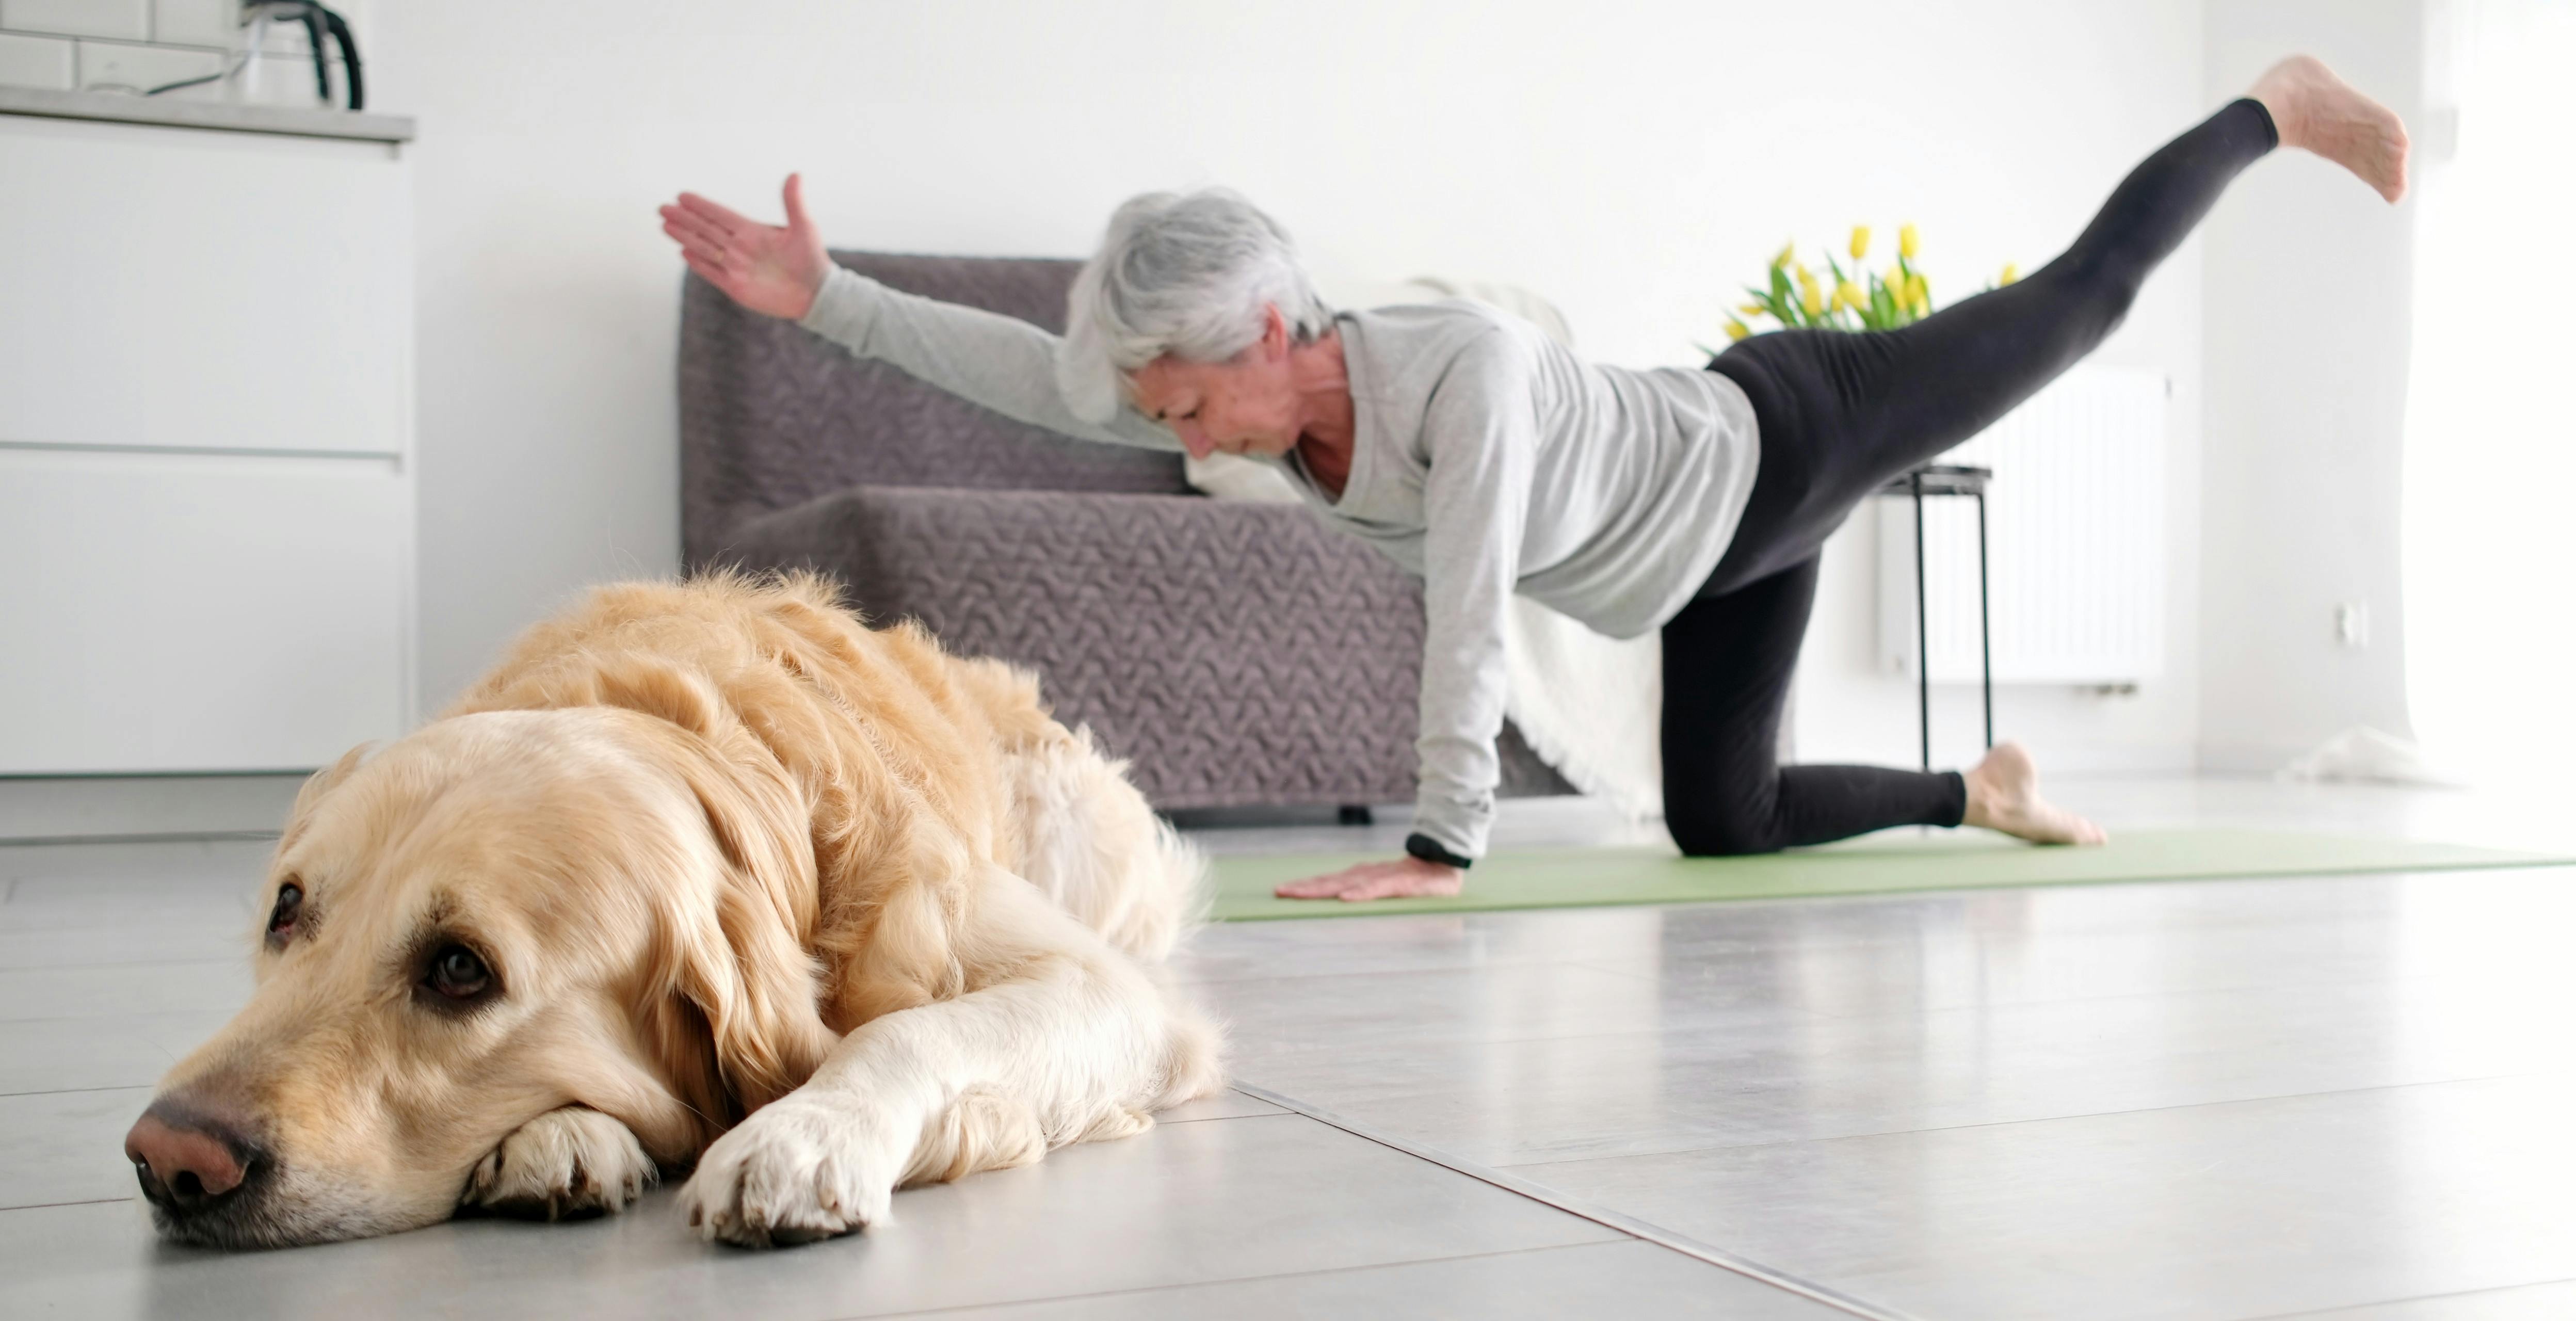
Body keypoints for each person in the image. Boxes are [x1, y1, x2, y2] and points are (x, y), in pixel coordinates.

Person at [660, 56, 2408, 904]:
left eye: (1194, 400)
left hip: (1788, 439)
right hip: (1714, 565)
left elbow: (1472, 606)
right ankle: (1985, 790)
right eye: (1168, 413)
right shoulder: (1256, 407)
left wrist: (1445, 840)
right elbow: (1035, 386)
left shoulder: (1461, 376)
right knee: (1725, 825)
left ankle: (2274, 106)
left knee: (2075, 303)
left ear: (1277, 325)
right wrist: (831, 303)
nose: (1182, 438)